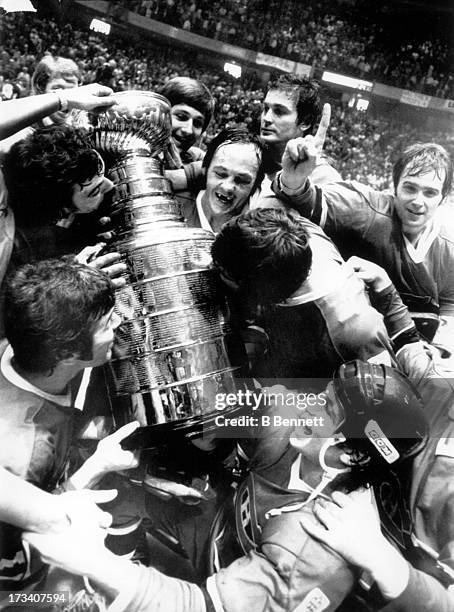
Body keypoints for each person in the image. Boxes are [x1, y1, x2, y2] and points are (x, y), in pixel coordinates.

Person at [25, 297, 454, 612]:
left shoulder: (317, 543)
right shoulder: (288, 415)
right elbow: (204, 416)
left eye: (326, 411)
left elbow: (199, 607)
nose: (306, 405)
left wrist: (93, 562)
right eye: (321, 395)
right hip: (216, 527)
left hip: (235, 591)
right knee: (117, 488)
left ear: (356, 457)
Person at [0, 258, 139, 599]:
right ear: (65, 353)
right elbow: (17, 564)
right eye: (107, 324)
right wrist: (92, 470)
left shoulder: (16, 346)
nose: (119, 323)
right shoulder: (25, 453)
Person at [273, 103, 454, 346]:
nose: (418, 202)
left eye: (430, 193)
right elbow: (307, 200)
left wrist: (440, 352)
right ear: (395, 186)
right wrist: (294, 178)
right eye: (410, 188)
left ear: (443, 198)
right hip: (347, 344)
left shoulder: (448, 248)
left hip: (410, 352)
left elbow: (449, 308)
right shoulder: (366, 208)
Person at [212, 207, 391, 380]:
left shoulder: (356, 329)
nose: (211, 268)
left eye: (223, 272)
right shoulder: (286, 227)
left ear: (262, 296)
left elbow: (388, 400)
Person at [183, 127, 264, 232]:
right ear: (204, 169)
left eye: (241, 180)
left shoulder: (257, 235)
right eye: (221, 174)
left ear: (255, 187)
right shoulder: (173, 206)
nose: (227, 187)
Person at [160, 76, 215, 165]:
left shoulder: (198, 161)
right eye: (181, 117)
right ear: (159, 114)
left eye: (197, 123)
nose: (188, 130)